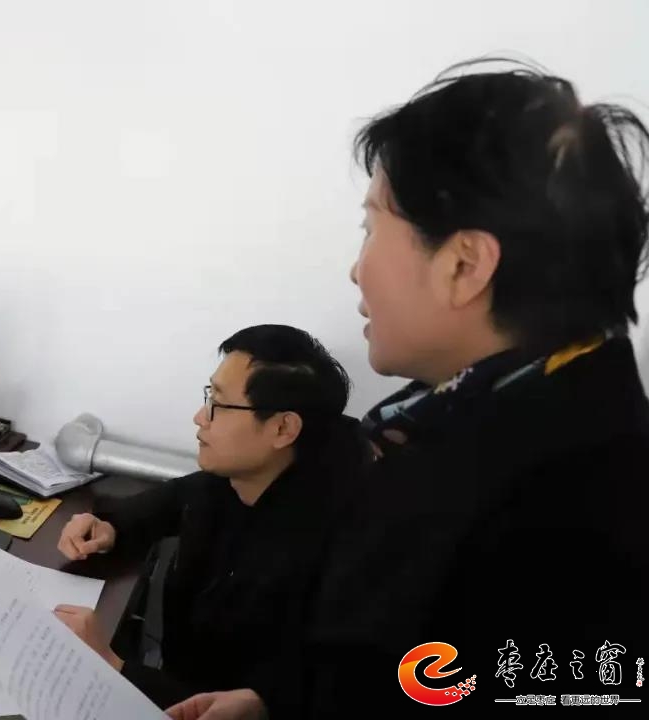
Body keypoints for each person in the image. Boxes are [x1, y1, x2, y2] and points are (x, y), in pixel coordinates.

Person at [168, 59, 649, 718]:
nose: (356, 269)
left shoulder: (558, 512)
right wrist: (275, 700)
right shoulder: (483, 418)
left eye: (371, 228)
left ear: (464, 265)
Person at [52, 324, 369, 709]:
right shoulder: (238, 476)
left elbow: (261, 706)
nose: (200, 417)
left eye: (218, 403)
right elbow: (168, 501)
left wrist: (111, 665)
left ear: (282, 428)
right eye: (208, 396)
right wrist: (109, 527)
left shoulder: (331, 553)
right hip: (173, 673)